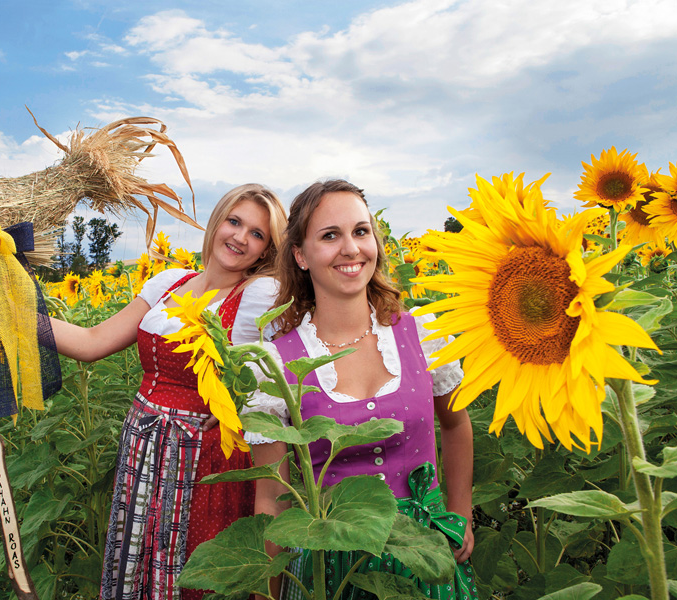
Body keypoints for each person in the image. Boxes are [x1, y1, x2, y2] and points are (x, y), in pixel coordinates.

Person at [43, 184, 287, 600]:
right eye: (234, 221)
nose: (240, 237)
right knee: (137, 555)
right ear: (217, 222)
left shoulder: (257, 297)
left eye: (257, 234)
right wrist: (9, 312)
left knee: (193, 567)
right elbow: (92, 341)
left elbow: (275, 371)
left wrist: (234, 403)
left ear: (266, 250)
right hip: (143, 446)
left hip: (205, 456)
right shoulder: (171, 282)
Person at [244, 180, 478, 600]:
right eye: (330, 235)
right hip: (331, 567)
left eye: (360, 231)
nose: (351, 248)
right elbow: (272, 501)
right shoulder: (278, 367)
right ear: (300, 255)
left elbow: (457, 425)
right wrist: (265, 595)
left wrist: (460, 513)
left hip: (423, 553)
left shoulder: (423, 336)